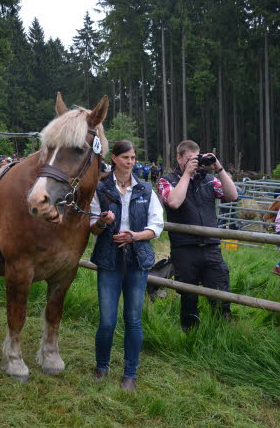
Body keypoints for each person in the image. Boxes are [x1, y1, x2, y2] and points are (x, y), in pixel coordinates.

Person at [90, 140, 164, 391]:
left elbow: (157, 225)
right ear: (114, 158)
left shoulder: (145, 189)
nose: (130, 162)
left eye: (133, 158)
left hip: (137, 259)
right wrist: (102, 221)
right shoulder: (101, 188)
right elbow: (93, 227)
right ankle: (102, 367)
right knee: (107, 320)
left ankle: (130, 373)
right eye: (125, 158)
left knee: (133, 319)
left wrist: (135, 236)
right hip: (109, 259)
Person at [158, 140, 238, 330]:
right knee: (188, 297)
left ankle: (222, 334)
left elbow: (233, 195)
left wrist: (218, 167)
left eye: (197, 158)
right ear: (179, 158)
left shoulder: (209, 179)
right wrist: (186, 174)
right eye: (189, 159)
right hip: (184, 249)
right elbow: (174, 202)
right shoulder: (167, 180)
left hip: (211, 247)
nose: (194, 163)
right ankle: (190, 337)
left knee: (221, 294)